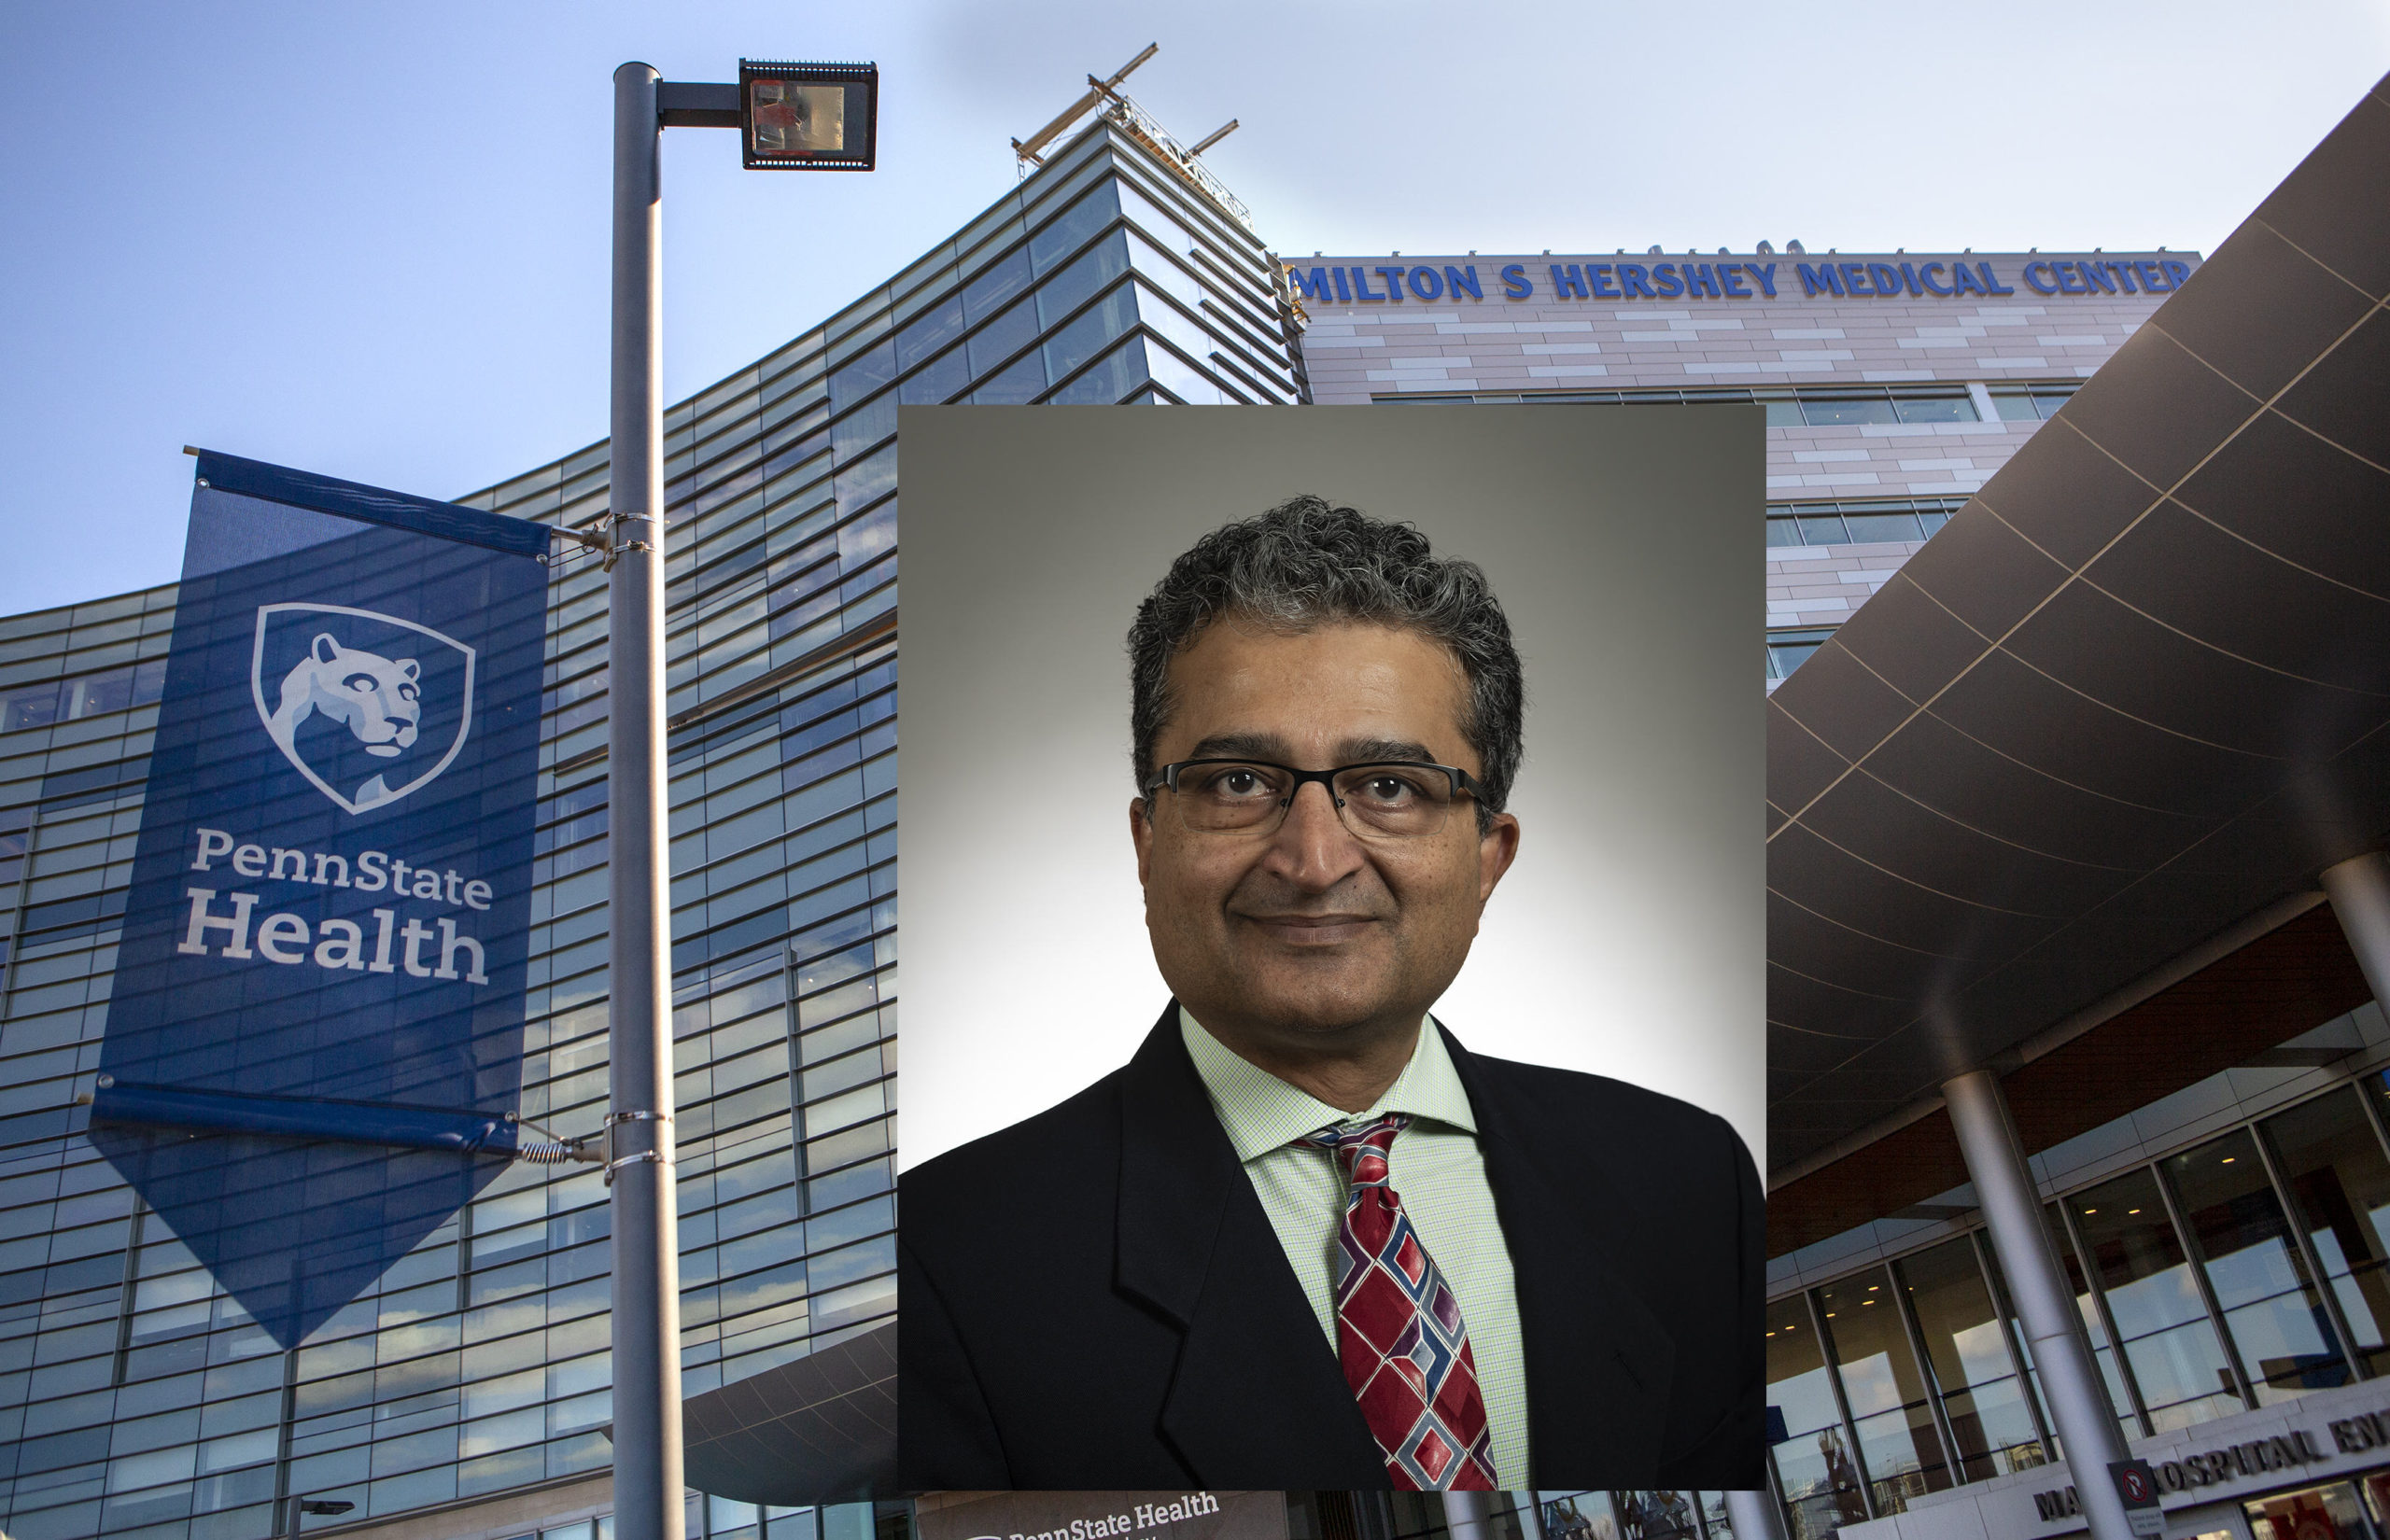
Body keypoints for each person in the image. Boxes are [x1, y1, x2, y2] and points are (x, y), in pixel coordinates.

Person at [898, 497, 1760, 1491]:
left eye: (1389, 786)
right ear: (1146, 844)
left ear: (1489, 857)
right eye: (1235, 782)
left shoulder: (1691, 1180)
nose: (1312, 861)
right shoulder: (945, 1261)